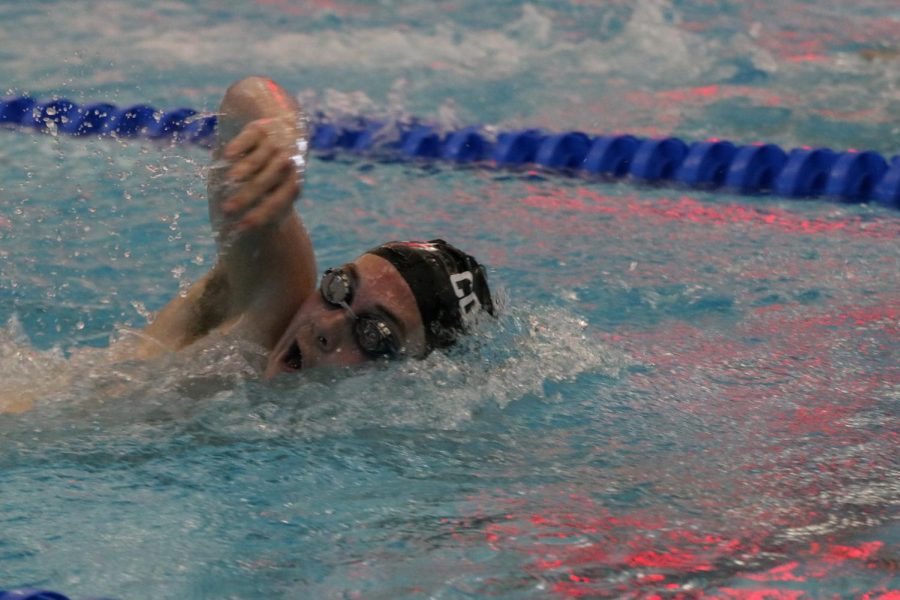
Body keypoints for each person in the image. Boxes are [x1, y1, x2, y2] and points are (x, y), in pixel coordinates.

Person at [120, 76, 494, 378]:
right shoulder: (267, 315)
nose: (326, 326)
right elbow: (247, 97)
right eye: (340, 288)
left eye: (374, 335)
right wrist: (280, 130)